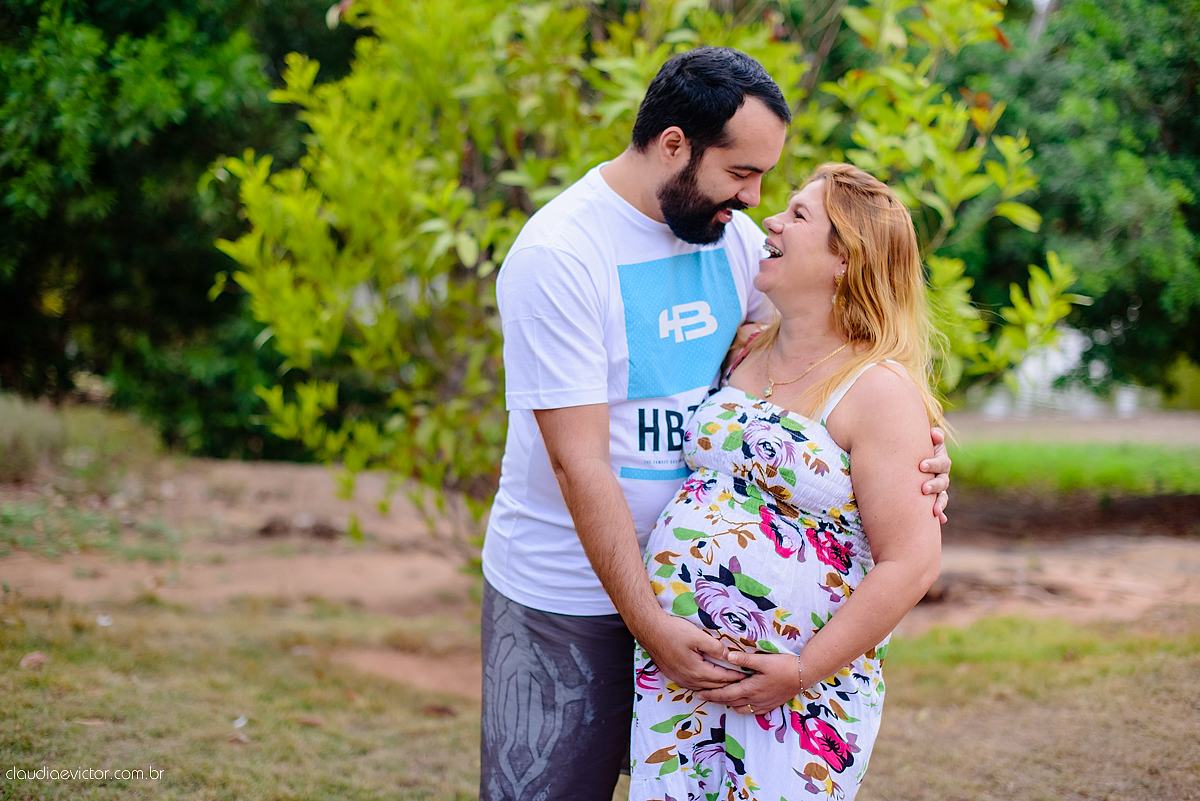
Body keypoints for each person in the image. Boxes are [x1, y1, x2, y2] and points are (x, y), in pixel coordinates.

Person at [479, 48, 951, 801]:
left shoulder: (729, 239)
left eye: (770, 180)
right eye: (741, 173)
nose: (754, 199)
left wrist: (917, 460)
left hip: (707, 636)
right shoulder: (560, 252)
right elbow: (580, 463)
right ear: (674, 145)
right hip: (567, 596)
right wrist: (655, 628)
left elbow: (822, 360)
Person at [628, 163, 945, 801]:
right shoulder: (744, 350)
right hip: (683, 675)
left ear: (845, 262)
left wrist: (798, 672)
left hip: (800, 693)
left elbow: (911, 562)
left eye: (799, 215)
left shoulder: (878, 390)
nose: (770, 219)